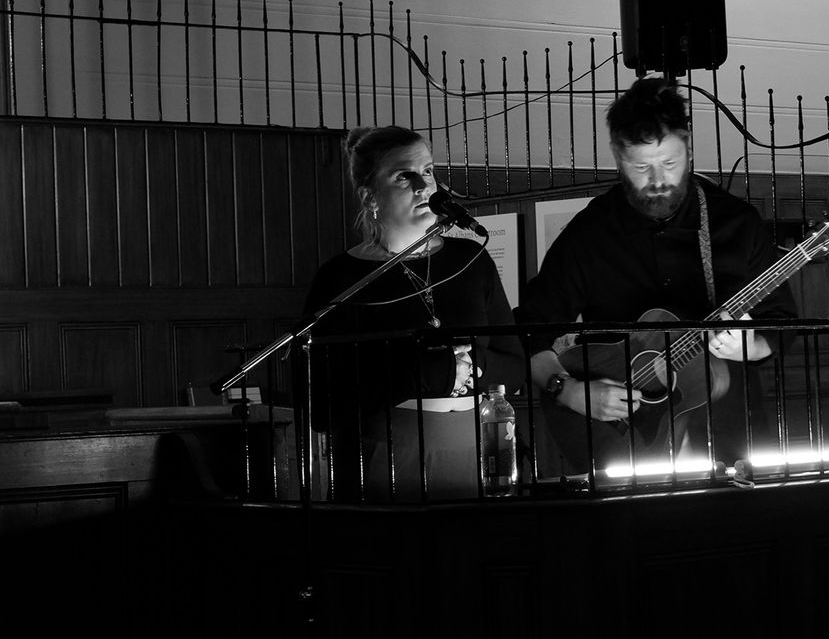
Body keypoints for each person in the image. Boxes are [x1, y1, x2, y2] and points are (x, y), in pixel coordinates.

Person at [516, 76, 798, 476]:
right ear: (617, 156)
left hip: (730, 433)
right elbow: (529, 330)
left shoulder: (736, 223)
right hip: (622, 443)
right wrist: (570, 391)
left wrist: (747, 347)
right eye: (640, 167)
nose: (658, 180)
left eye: (670, 162)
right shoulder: (589, 233)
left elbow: (783, 323)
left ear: (688, 147)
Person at [300, 125, 525, 501]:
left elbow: (516, 363)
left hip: (477, 444)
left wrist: (473, 366)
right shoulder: (340, 278)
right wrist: (419, 374)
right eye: (404, 176)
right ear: (370, 196)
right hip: (386, 451)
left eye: (429, 170)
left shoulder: (471, 260)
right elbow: (324, 404)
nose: (424, 187)